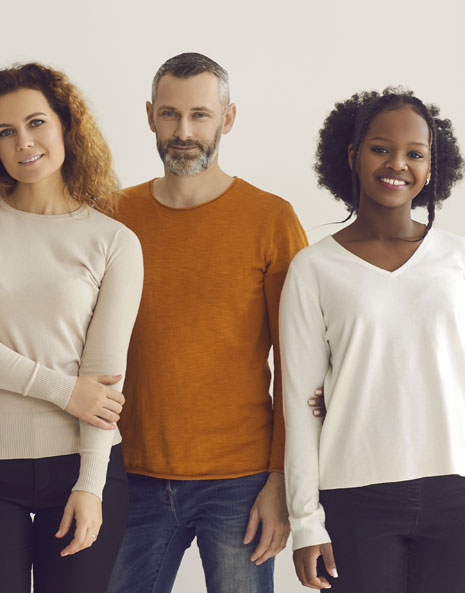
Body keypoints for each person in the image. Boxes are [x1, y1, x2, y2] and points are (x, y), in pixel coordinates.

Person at [0, 62, 143, 593]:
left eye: (37, 123)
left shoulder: (114, 242)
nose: (24, 142)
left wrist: (92, 485)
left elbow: (104, 380)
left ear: (66, 125)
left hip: (80, 464)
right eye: (5, 132)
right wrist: (63, 391)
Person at [107, 52, 307, 593]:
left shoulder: (270, 219)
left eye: (200, 115)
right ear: (150, 116)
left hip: (240, 479)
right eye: (170, 115)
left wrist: (282, 480)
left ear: (228, 117)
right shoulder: (113, 216)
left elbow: (299, 363)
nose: (184, 131)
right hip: (130, 473)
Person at [281, 87, 465, 592]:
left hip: (458, 493)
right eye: (381, 148)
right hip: (354, 498)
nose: (397, 164)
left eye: (415, 153)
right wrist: (305, 522)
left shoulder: (460, 260)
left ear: (432, 167)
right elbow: (298, 403)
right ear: (352, 155)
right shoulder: (313, 269)